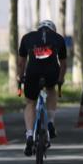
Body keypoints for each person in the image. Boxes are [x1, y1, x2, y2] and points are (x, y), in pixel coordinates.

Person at [17, 19, 67, 156]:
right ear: (53, 29)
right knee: (51, 90)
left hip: (32, 72)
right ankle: (50, 121)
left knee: (30, 102)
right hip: (52, 72)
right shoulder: (58, 38)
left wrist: (19, 77)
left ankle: (28, 135)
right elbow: (63, 64)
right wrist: (60, 79)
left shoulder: (27, 37)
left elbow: (21, 62)